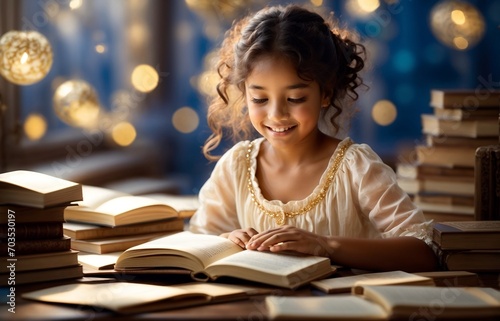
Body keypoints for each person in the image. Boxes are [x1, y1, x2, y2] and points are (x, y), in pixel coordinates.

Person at [189, 4, 438, 272]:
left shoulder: (356, 167)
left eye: (295, 98)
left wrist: (326, 245)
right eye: (259, 98)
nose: (277, 114)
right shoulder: (236, 166)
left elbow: (422, 251)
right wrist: (226, 240)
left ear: (326, 93)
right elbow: (197, 241)